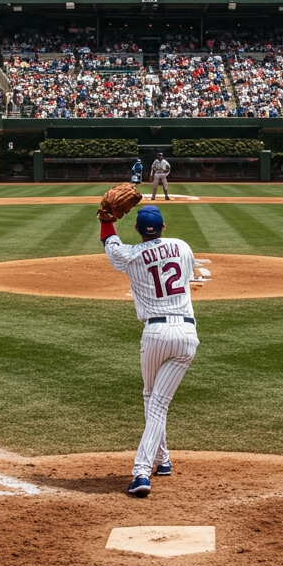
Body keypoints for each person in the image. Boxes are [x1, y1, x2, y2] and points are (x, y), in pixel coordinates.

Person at [100, 205, 198, 498]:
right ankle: (163, 459)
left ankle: (141, 472)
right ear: (164, 226)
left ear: (138, 230)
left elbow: (110, 243)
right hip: (187, 334)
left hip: (155, 333)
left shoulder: (130, 255)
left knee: (154, 401)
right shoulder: (181, 246)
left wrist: (106, 221)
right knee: (154, 399)